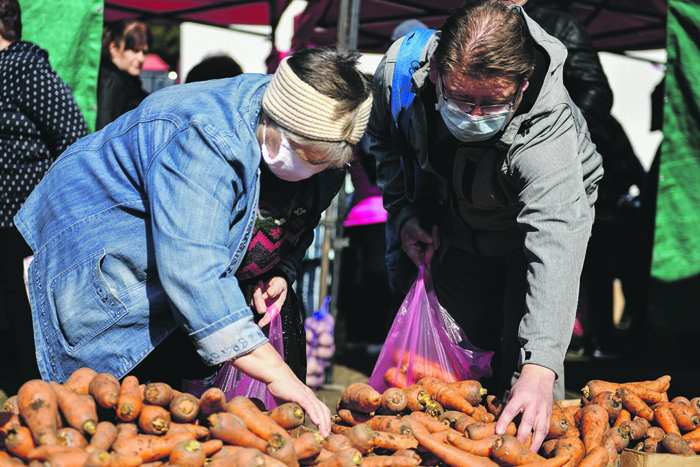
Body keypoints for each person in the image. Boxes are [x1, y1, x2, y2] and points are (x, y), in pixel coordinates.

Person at [14, 47, 373, 436]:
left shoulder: (331, 148)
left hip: (184, 278)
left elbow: (299, 219)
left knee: (183, 418)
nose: (311, 169)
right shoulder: (205, 136)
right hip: (107, 262)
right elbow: (193, 271)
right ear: (277, 120)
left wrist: (279, 269)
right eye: (305, 155)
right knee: (117, 418)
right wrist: (276, 373)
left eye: (324, 162)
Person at [359, 0, 603, 451]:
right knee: (446, 379)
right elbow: (383, 142)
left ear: (523, 84)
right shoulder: (397, 72)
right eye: (460, 98)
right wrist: (406, 211)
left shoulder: (548, 132)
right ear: (434, 73)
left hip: (528, 244)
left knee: (525, 382)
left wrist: (540, 369)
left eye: (491, 103)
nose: (473, 116)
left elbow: (555, 244)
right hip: (456, 233)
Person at [513, 0, 646, 358]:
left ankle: (584, 345)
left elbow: (597, 94)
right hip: (503, 183)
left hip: (570, 185)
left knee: (578, 270)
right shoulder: (477, 21)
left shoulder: (559, 26)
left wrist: (551, 139)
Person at [0, 0, 88, 396]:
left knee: (26, 330)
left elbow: (74, 141)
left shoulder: (25, 68)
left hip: (23, 227)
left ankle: (39, 409)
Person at [95, 19, 152, 131]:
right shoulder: (110, 79)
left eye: (144, 52)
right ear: (114, 48)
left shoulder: (127, 80)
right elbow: (104, 130)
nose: (141, 58)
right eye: (134, 50)